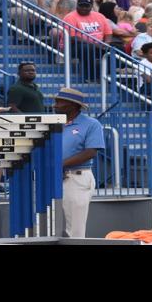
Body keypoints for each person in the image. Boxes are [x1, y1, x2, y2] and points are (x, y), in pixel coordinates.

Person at [53, 87, 102, 238]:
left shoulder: (91, 124)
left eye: (60, 102)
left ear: (73, 105)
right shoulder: (53, 123)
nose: (55, 105)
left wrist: (60, 165)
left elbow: (91, 152)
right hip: (53, 178)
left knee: (75, 229)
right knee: (48, 223)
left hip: (77, 177)